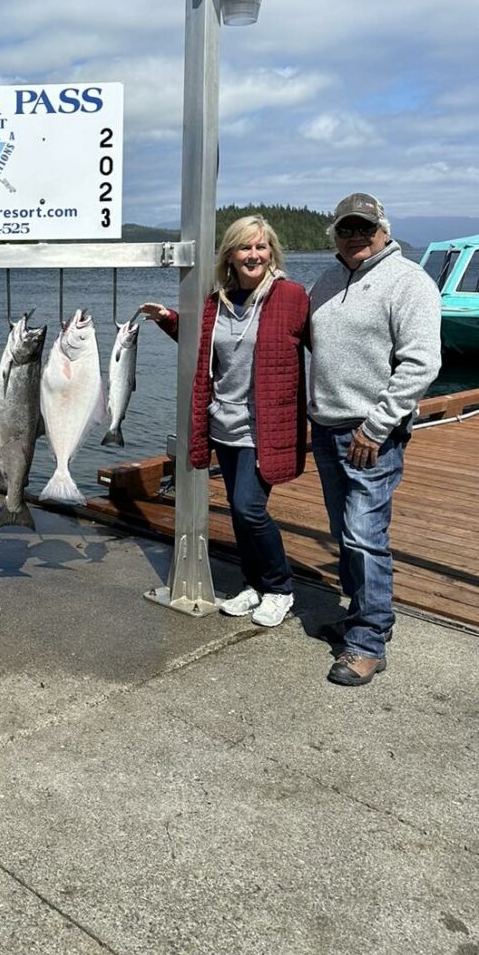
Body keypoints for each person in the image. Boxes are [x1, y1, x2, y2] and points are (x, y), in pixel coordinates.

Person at [142, 215, 309, 627]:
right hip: (223, 425)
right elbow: (201, 343)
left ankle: (281, 588)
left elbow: (324, 347)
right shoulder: (216, 301)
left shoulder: (291, 296)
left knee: (249, 508)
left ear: (271, 253)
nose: (253, 255)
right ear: (230, 256)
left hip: (264, 427)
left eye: (261, 247)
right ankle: (255, 586)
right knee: (237, 512)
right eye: (244, 247)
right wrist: (168, 319)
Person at [309, 193, 441, 686]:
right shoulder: (326, 279)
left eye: (365, 227)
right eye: (346, 228)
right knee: (347, 533)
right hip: (326, 428)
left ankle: (368, 641)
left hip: (371, 434)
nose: (356, 236)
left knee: (365, 536)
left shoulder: (409, 282)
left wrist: (378, 425)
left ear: (384, 229)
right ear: (335, 235)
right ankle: (359, 615)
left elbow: (422, 364)